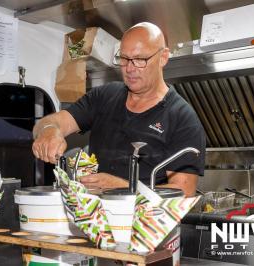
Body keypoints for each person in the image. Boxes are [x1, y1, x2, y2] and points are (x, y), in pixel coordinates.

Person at [32, 22, 206, 196]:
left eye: (140, 60)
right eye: (123, 59)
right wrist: (49, 131)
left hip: (144, 220)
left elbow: (184, 191)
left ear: (163, 57)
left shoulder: (183, 118)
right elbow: (50, 123)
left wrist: (125, 188)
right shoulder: (104, 96)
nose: (129, 68)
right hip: (94, 216)